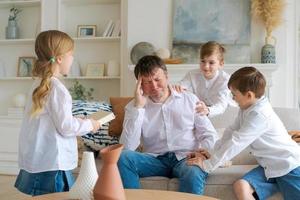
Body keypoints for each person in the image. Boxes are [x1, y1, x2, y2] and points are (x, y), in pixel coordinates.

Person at [187, 67, 300, 200]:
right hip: (269, 167)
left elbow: (236, 143)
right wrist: (211, 152)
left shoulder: (260, 115)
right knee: (241, 185)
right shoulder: (246, 108)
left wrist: (207, 166)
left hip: (289, 166)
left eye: (234, 94)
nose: (232, 98)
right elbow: (230, 132)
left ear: (249, 95)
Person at [14, 30, 101, 196]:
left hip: (39, 157)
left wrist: (76, 120)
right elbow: (66, 127)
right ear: (60, 58)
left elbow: (52, 120)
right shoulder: (57, 88)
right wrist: (91, 124)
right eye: (71, 54)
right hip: (54, 162)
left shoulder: (37, 84)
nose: (73, 58)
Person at [118, 55, 218, 195]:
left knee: (194, 171)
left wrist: (203, 153)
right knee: (123, 157)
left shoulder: (189, 99)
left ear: (166, 75)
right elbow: (128, 147)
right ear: (139, 84)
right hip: (155, 160)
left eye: (157, 79)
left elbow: (209, 134)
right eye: (147, 82)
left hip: (185, 157)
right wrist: (138, 108)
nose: (154, 86)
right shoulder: (133, 107)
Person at [175, 41, 232, 117]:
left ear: (221, 64)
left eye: (211, 63)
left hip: (219, 113)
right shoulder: (192, 74)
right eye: (203, 61)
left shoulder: (225, 80)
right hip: (199, 111)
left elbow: (221, 105)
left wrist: (208, 110)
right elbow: (181, 85)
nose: (206, 66)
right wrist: (178, 89)